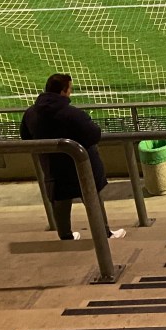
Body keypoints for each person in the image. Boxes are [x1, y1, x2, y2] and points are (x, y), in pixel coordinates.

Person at [20, 74, 126, 241]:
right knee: (92, 199)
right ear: (63, 91)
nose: (70, 92)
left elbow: (26, 138)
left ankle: (65, 237)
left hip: (53, 169)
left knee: (60, 201)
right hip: (81, 166)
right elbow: (94, 134)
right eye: (70, 88)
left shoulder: (30, 114)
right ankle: (104, 234)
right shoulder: (73, 114)